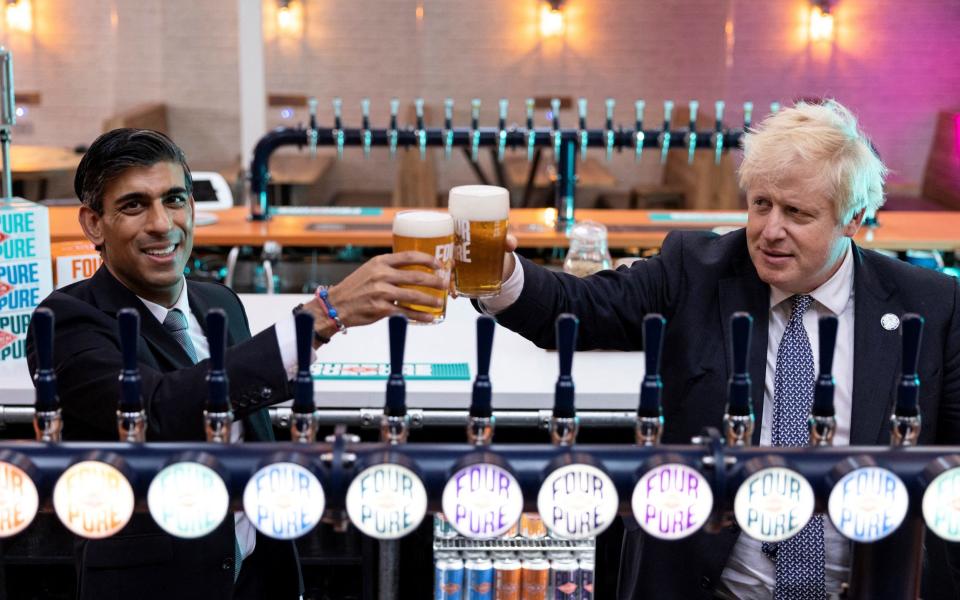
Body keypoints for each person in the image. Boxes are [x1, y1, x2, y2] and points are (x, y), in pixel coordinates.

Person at [480, 100, 960, 599]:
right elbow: (580, 307)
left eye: (796, 213)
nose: (770, 231)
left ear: (853, 218)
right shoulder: (694, 268)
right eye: (760, 204)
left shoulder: (930, 304)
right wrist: (500, 275)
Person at [25, 128, 447, 600]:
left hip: (258, 576)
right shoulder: (65, 320)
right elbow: (159, 412)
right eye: (133, 205)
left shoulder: (219, 300)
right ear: (93, 224)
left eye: (175, 199)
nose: (162, 224)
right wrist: (323, 316)